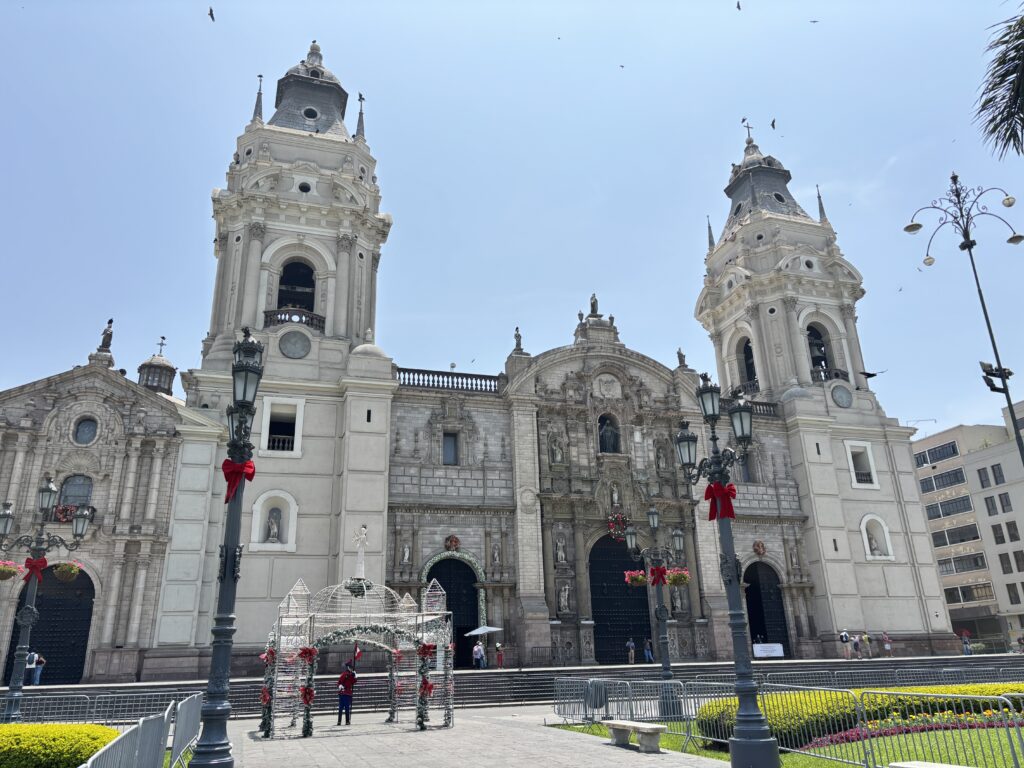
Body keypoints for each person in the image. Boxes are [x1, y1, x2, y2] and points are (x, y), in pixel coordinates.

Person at [337, 661, 356, 725]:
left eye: (352, 668)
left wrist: (354, 676)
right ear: (348, 667)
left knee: (342, 708)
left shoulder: (349, 674)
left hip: (345, 693)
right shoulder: (346, 674)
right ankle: (346, 721)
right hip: (345, 693)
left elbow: (353, 682)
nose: (351, 669)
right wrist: (354, 676)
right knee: (345, 707)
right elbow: (339, 682)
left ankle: (340, 721)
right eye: (350, 667)